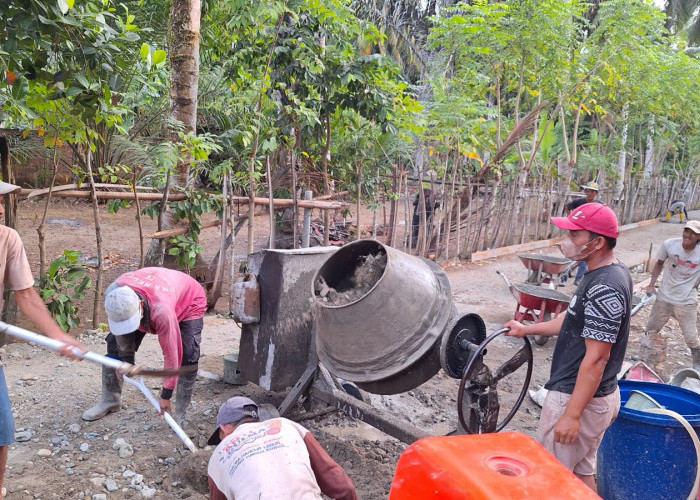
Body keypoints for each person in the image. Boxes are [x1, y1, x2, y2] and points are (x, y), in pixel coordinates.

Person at [504, 202, 632, 492]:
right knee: (581, 473)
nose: (566, 241)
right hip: (598, 397)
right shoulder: (607, 271)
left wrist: (572, 415)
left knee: (554, 481)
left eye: (575, 235)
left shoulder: (605, 287)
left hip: (579, 398)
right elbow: (571, 319)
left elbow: (597, 358)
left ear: (597, 242)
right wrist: (527, 328)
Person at [0, 181, 86, 497]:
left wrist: (60, 336)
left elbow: (25, 295)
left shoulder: (7, 238)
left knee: (2, 431)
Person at [82, 267, 207, 426]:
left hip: (188, 299)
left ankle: (181, 415)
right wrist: (126, 362)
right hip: (156, 290)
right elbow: (122, 337)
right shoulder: (114, 294)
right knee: (114, 344)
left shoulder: (162, 312)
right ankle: (110, 400)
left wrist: (165, 395)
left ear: (140, 305)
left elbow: (172, 353)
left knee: (188, 356)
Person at [207, 396, 358, 500]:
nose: (221, 441)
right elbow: (343, 487)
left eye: (219, 436)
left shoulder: (219, 456)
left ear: (224, 428)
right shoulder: (286, 425)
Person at [640, 220, 700, 377]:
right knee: (651, 329)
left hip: (686, 301)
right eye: (686, 231)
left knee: (691, 337)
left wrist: (695, 284)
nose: (688, 235)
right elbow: (659, 264)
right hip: (664, 297)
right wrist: (651, 285)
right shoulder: (670, 244)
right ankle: (645, 359)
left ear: (698, 236)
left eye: (693, 233)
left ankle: (697, 364)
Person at [560, 181, 602, 286]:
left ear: (595, 193)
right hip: (577, 232)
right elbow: (567, 207)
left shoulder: (598, 205)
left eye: (591, 192)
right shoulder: (579, 202)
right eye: (587, 191)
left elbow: (603, 215)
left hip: (589, 234)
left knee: (585, 255)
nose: (589, 193)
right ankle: (563, 278)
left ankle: (578, 279)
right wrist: (571, 218)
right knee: (570, 254)